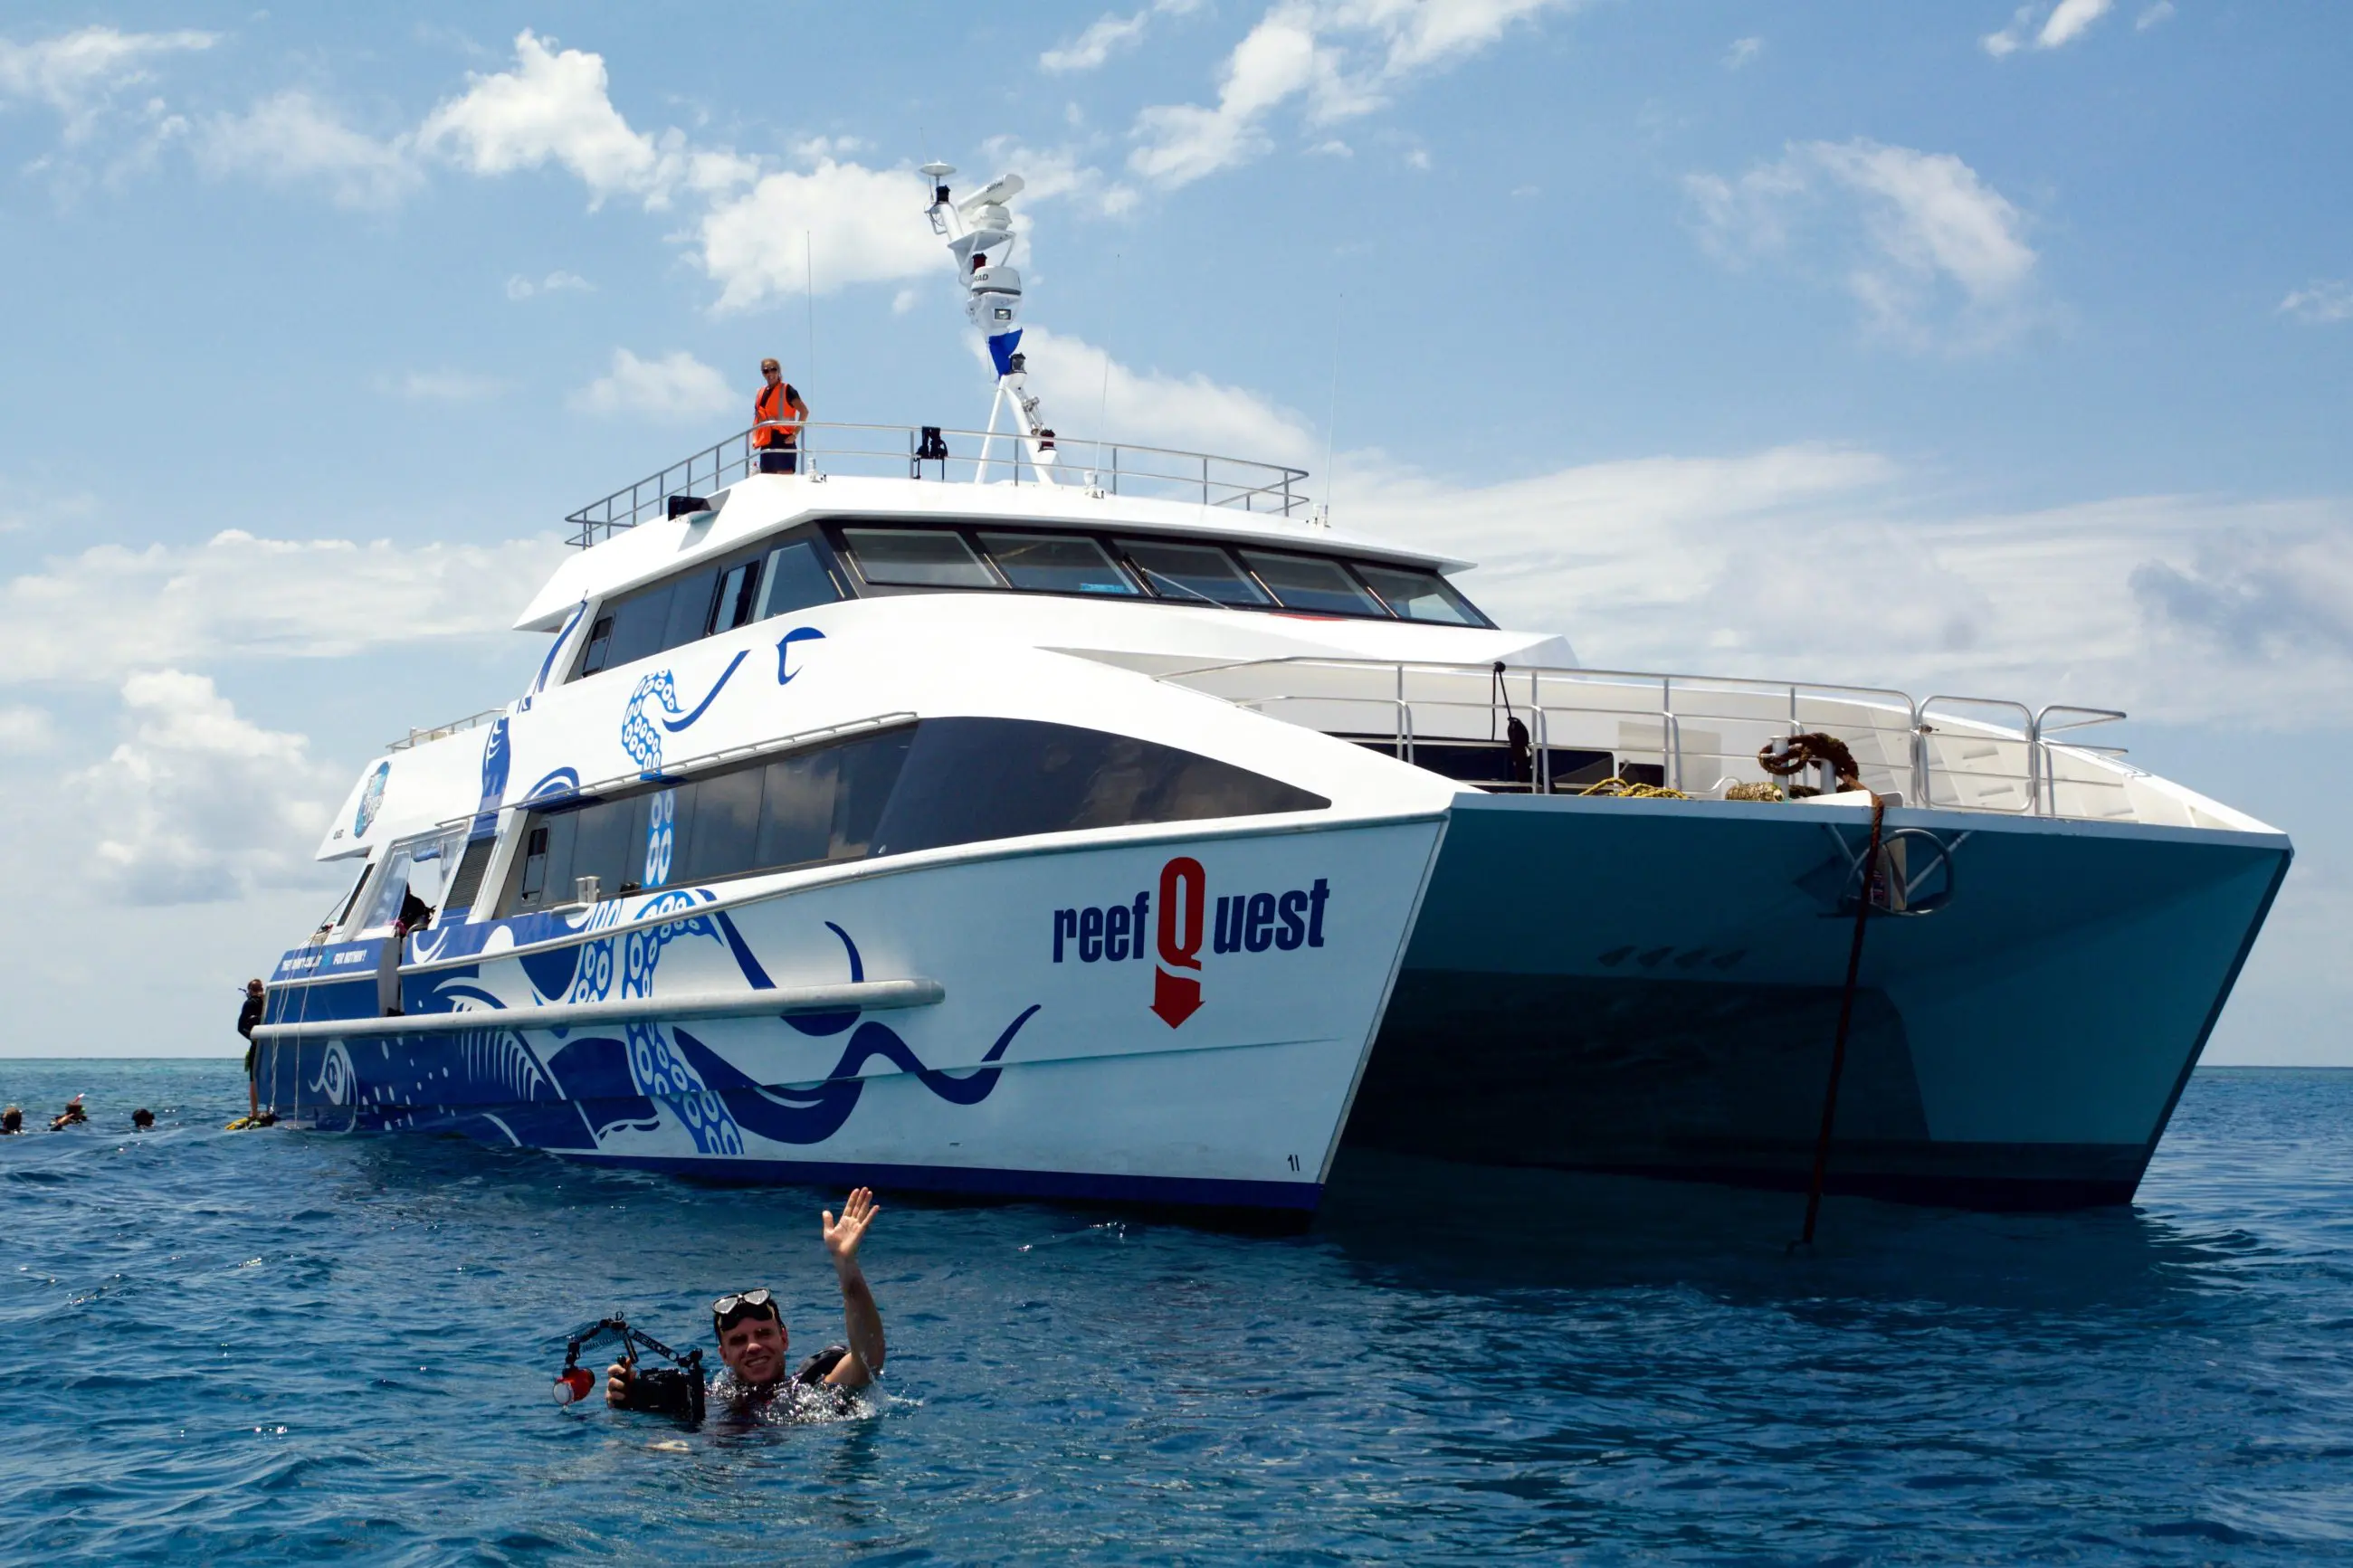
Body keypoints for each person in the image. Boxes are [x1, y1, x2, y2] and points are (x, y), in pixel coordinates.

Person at [606, 1187, 885, 1423]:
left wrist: (847, 1267)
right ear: (723, 1354)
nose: (753, 1346)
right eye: (739, 1340)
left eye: (764, 1333)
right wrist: (627, 1395)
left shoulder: (811, 1391)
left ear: (784, 1338)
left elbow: (867, 1356)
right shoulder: (706, 1400)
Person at [753, 358, 809, 475]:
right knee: (767, 481)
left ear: (779, 371)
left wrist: (795, 434)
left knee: (785, 482)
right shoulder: (760, 393)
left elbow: (804, 412)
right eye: (766, 371)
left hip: (784, 441)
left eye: (773, 369)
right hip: (766, 443)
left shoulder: (787, 390)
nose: (770, 373)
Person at [238, 978, 266, 1121]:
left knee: (254, 1077)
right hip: (272, 1044)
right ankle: (269, 1109)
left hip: (257, 1044)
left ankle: (254, 1112)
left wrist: (252, 1037)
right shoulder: (269, 1001)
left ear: (250, 990)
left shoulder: (250, 1003)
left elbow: (240, 1027)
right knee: (269, 1075)